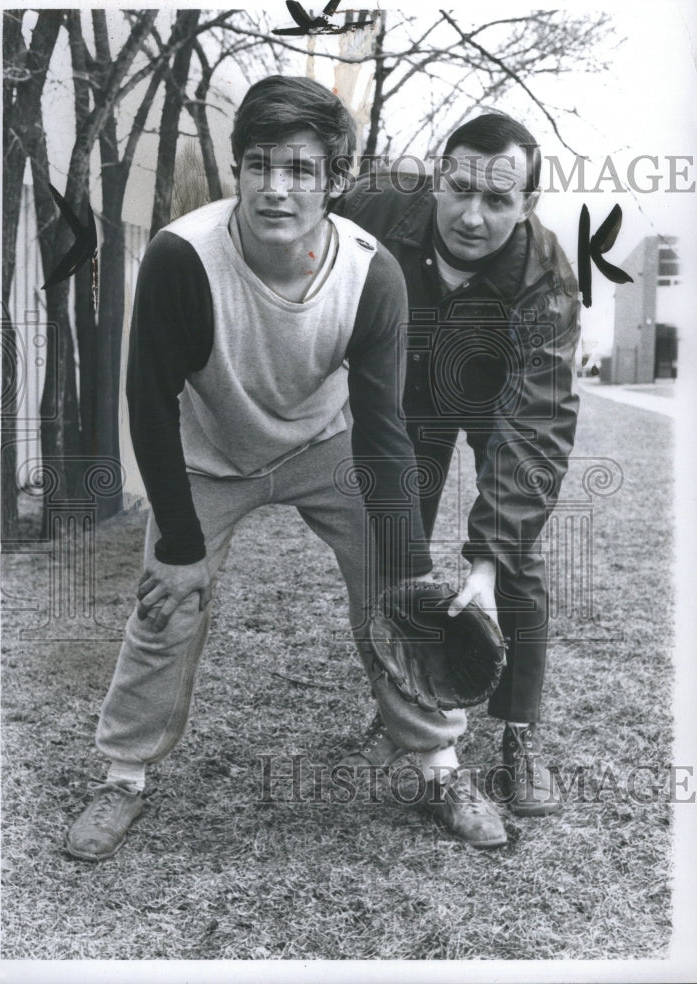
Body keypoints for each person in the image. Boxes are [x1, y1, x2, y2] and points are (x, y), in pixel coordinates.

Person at [66, 77, 510, 862]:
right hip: (208, 453)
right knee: (167, 603)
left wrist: (410, 575)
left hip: (323, 445)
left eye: (301, 170)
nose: (277, 188)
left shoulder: (372, 274)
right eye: (260, 165)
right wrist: (178, 545)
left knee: (393, 594)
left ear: (336, 180)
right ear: (238, 168)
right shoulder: (181, 257)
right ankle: (123, 777)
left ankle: (440, 768)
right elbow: (147, 404)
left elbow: (383, 432)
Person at [334, 112, 580, 817]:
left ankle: (518, 732)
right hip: (411, 390)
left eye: (498, 200)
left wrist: (487, 560)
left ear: (527, 204)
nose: (472, 216)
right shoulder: (374, 208)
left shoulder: (548, 282)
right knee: (396, 547)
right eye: (460, 188)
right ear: (439, 177)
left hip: (497, 390)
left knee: (514, 559)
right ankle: (407, 707)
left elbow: (536, 427)